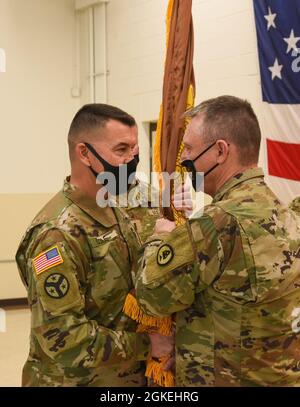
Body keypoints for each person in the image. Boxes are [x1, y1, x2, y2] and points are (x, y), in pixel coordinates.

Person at [135, 95, 300, 386]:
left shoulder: (216, 224)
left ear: (221, 151)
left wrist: (160, 238)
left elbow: (151, 294)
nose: (183, 158)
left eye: (189, 148)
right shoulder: (286, 212)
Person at [16, 103, 172, 387]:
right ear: (84, 153)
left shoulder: (116, 210)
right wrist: (148, 345)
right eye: (121, 150)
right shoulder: (56, 233)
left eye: (134, 151)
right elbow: (63, 338)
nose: (132, 161)